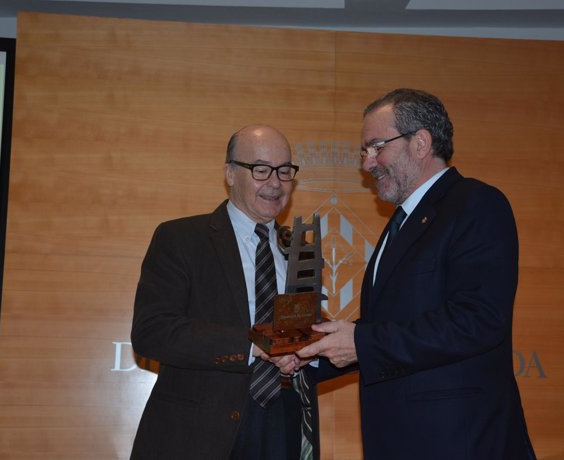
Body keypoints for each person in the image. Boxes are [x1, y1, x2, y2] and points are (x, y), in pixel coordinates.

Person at [298, 88, 536, 459]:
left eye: (376, 147)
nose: (368, 163)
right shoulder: (402, 222)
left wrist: (361, 341)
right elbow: (394, 326)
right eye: (366, 151)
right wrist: (311, 354)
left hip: (460, 442)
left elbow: (478, 319)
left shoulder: (475, 204)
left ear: (421, 142)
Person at [130, 124, 318, 460]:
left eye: (285, 171)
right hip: (197, 434)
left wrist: (319, 349)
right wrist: (255, 346)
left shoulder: (300, 251)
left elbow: (307, 333)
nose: (275, 183)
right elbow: (152, 331)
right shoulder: (182, 239)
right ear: (230, 173)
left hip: (282, 430)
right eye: (261, 170)